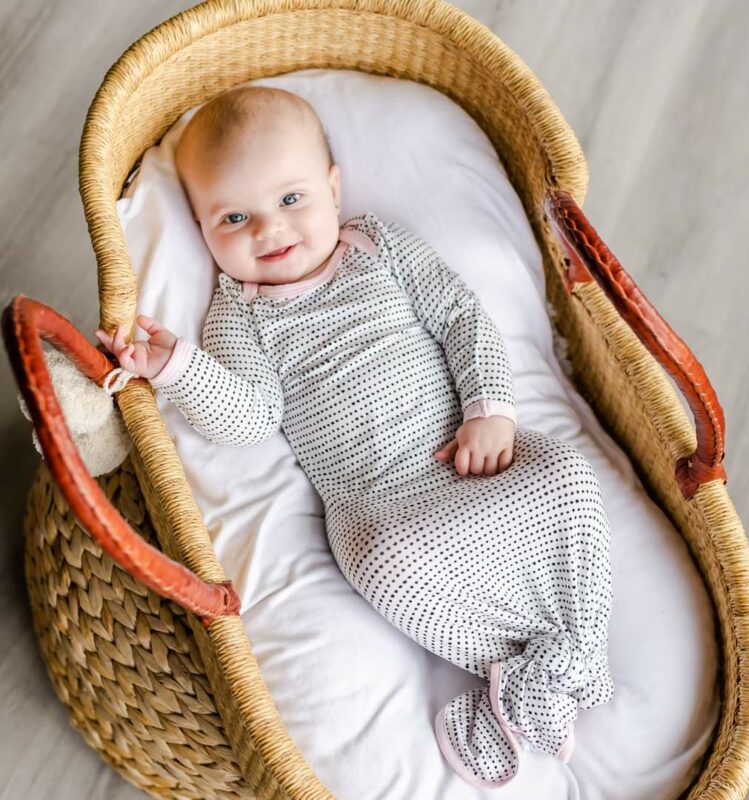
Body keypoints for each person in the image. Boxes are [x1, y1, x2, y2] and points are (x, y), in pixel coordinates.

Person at [96, 86, 614, 788]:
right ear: (200, 227)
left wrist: (489, 409)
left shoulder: (377, 244)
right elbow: (247, 418)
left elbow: (461, 315)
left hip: (474, 449)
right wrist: (177, 365)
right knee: (382, 563)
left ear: (333, 189)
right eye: (234, 217)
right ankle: (508, 667)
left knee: (567, 475)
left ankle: (576, 641)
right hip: (383, 501)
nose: (268, 232)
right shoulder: (237, 316)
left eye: (290, 200)